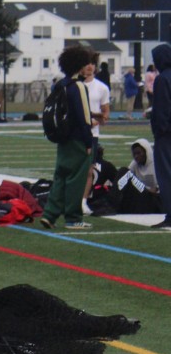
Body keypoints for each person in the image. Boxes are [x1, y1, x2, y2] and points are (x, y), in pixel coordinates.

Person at [39, 45, 94, 231]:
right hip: (77, 139)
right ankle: (73, 218)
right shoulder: (78, 86)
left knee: (60, 177)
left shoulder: (60, 84)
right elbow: (84, 117)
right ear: (80, 65)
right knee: (76, 179)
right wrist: (89, 142)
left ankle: (49, 215)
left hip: (62, 138)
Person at [81, 53, 111, 209]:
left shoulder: (102, 88)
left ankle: (83, 201)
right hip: (74, 134)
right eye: (86, 63)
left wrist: (94, 120)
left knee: (88, 170)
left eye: (92, 63)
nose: (89, 66)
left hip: (92, 135)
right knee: (72, 169)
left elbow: (105, 115)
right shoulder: (73, 85)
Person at [148, 43, 171, 229]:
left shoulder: (162, 79)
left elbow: (162, 109)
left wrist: (159, 130)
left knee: (166, 175)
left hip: (167, 135)